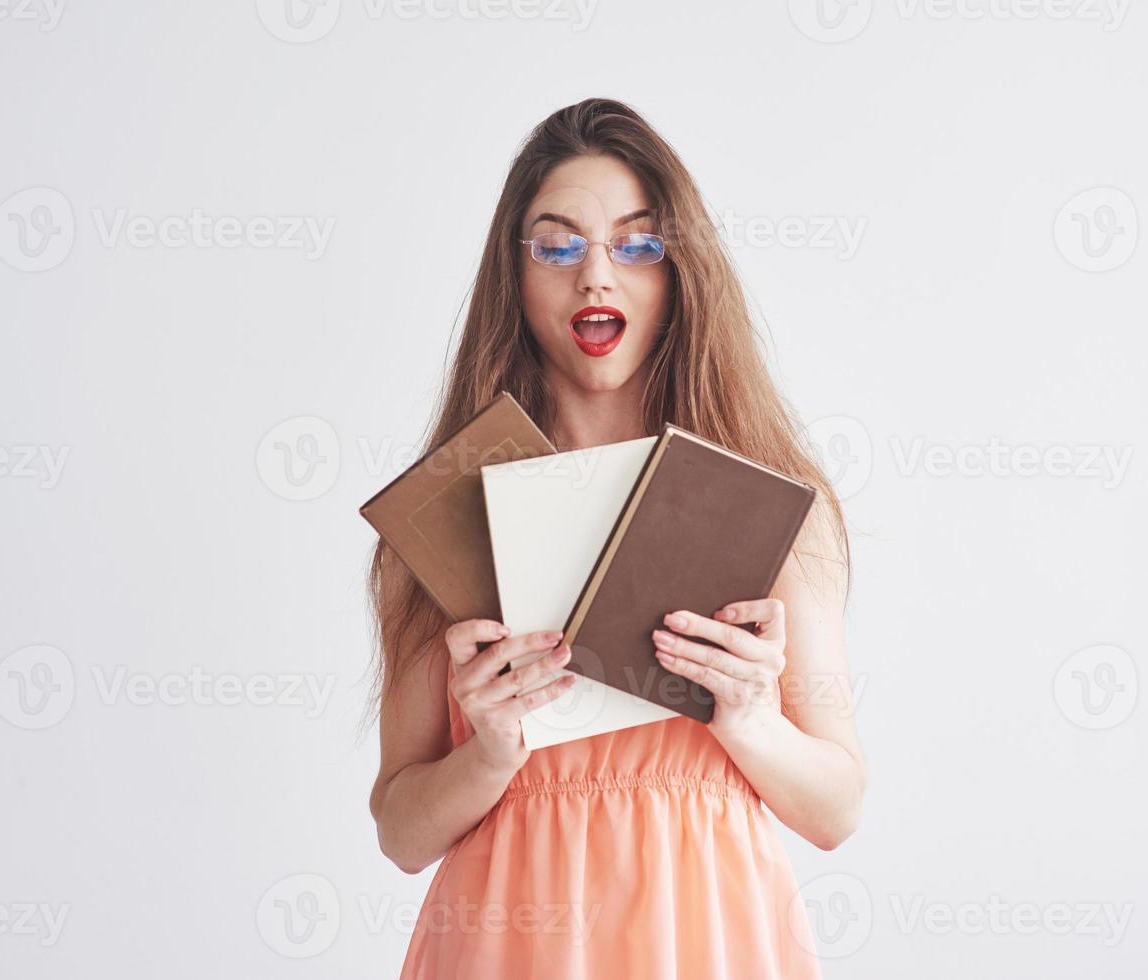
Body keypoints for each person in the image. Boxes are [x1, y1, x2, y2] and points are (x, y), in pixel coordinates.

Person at [367, 97, 867, 979]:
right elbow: (402, 833)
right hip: (503, 938)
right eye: (557, 245)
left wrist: (750, 717)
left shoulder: (765, 504)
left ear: (680, 273)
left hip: (704, 931)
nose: (595, 276)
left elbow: (837, 807)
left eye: (636, 244)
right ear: (513, 279)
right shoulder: (452, 507)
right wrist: (487, 751)